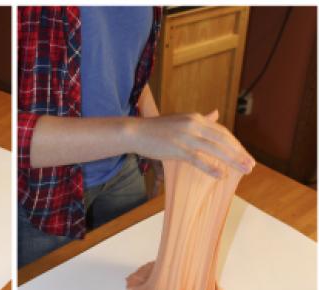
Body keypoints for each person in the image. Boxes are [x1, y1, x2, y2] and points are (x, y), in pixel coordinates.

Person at [17, 6, 255, 268]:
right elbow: (15, 133)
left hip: (122, 167)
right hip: (46, 186)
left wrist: (155, 134)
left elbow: (121, 67)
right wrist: (138, 134)